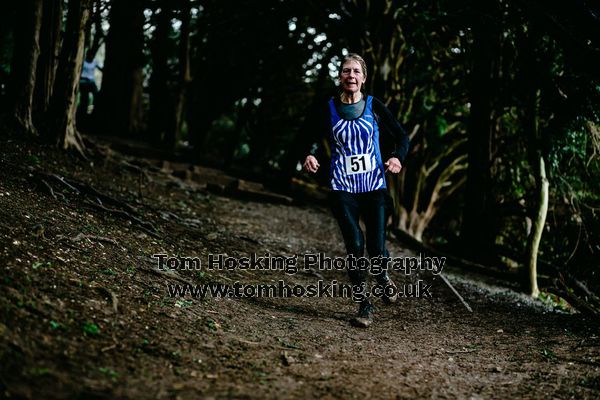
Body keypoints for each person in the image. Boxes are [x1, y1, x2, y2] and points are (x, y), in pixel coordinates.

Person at [303, 53, 409, 328]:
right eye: (346, 71)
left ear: (363, 78)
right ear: (340, 77)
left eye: (356, 72)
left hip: (374, 186)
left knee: (376, 248)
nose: (351, 75)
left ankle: (383, 276)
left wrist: (397, 157)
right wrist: (309, 154)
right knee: (355, 245)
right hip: (342, 187)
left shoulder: (374, 106)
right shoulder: (328, 108)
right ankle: (364, 305)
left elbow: (401, 136)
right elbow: (309, 137)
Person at [78, 50, 102, 117]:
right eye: (90, 55)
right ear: (87, 55)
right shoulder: (83, 61)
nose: (91, 57)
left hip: (91, 82)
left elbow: (100, 68)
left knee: (96, 94)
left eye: (92, 55)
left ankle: (95, 109)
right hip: (83, 81)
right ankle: (82, 112)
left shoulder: (94, 62)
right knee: (85, 97)